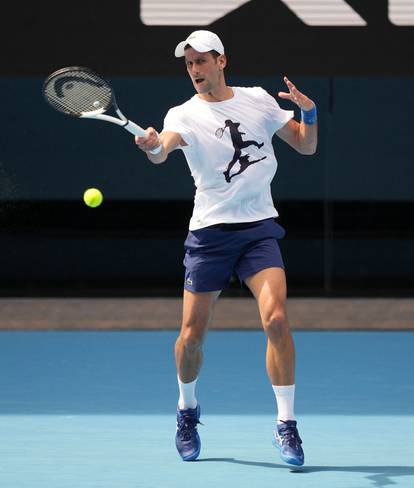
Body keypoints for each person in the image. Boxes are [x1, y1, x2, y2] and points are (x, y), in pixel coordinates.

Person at [135, 30, 317, 466]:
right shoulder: (182, 113)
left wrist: (308, 112)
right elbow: (164, 149)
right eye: (189, 64)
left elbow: (305, 147)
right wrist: (152, 146)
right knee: (191, 339)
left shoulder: (256, 100)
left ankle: (286, 426)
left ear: (222, 61)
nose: (195, 70)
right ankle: (186, 409)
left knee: (276, 319)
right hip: (210, 235)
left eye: (201, 61)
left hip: (258, 230)